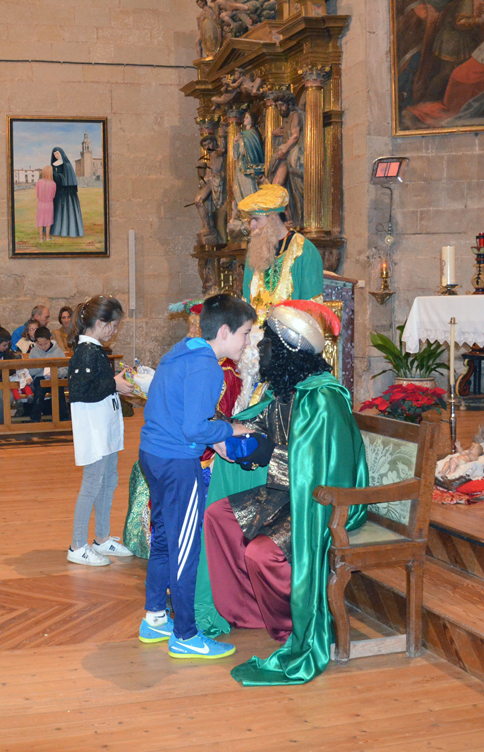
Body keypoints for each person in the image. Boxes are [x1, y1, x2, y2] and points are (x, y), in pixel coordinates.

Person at [195, 300, 367, 686]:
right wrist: (218, 426)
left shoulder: (323, 399)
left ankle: (293, 622)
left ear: (289, 350)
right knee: (218, 517)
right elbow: (257, 424)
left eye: (268, 342)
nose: (259, 348)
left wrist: (260, 453)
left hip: (321, 505)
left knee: (262, 552)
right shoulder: (291, 392)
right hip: (288, 495)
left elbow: (320, 472)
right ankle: (249, 611)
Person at [137, 294, 255, 659]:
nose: (247, 341)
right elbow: (194, 428)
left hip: (153, 455)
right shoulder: (208, 367)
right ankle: (186, 634)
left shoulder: (182, 352)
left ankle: (155, 617)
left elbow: (179, 413)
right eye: (245, 333)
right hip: (177, 463)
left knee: (163, 540)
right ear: (225, 331)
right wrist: (231, 430)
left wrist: (216, 433)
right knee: (186, 549)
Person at [67, 296, 134, 566]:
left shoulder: (96, 350)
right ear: (100, 322)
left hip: (106, 428)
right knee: (92, 485)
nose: (115, 331)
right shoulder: (85, 352)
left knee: (109, 481)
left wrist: (117, 382)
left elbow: (99, 384)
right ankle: (77, 545)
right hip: (94, 430)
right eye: (113, 325)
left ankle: (102, 538)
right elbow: (81, 392)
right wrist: (114, 384)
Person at [239, 184, 324, 322]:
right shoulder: (254, 251)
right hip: (254, 332)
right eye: (250, 220)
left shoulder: (304, 251)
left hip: (291, 332)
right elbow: (246, 302)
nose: (251, 225)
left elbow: (312, 308)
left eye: (256, 219)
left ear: (274, 219)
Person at [266, 91, 304, 226]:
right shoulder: (289, 119)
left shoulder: (295, 115)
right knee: (275, 186)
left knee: (277, 186)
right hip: (286, 156)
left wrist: (284, 151)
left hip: (291, 155)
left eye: (282, 105)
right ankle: (287, 218)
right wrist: (274, 132)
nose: (280, 109)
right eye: (277, 106)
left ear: (289, 104)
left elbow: (295, 135)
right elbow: (284, 131)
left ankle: (289, 219)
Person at [27, 326, 69, 423]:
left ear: (50, 339)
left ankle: (64, 418)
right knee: (38, 393)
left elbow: (65, 368)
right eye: (40, 344)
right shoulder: (34, 352)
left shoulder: (58, 351)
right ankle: (35, 418)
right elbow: (30, 370)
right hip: (40, 377)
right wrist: (41, 366)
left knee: (59, 393)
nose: (43, 347)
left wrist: (56, 373)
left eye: (45, 344)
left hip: (55, 377)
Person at [49, 147, 84, 238]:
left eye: (57, 153)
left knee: (68, 210)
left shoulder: (67, 165)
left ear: (61, 153)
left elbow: (69, 178)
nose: (56, 155)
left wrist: (56, 175)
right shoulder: (53, 165)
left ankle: (70, 230)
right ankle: (57, 229)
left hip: (68, 191)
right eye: (54, 154)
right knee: (58, 211)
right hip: (57, 191)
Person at [35, 165, 56, 243]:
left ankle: (41, 238)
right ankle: (47, 237)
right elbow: (53, 195)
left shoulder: (39, 182)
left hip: (41, 203)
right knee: (48, 221)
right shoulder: (53, 183)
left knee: (40, 220)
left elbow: (37, 195)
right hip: (49, 204)